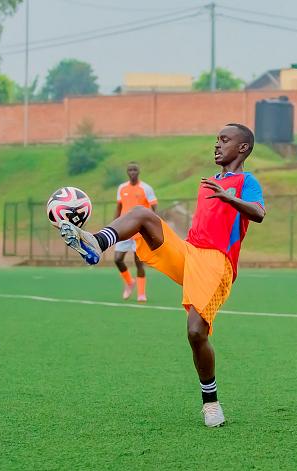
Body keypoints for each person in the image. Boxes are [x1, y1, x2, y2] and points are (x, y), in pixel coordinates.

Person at [57, 124, 265, 428]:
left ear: (243, 148)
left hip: (217, 263)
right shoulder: (209, 182)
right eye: (216, 139)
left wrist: (229, 198)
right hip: (189, 252)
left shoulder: (247, 181)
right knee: (142, 215)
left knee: (196, 332)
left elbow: (259, 213)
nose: (217, 145)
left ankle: (211, 402)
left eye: (224, 140)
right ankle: (96, 243)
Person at [115, 162, 157, 302]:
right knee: (117, 259)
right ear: (127, 172)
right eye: (130, 170)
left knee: (138, 262)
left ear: (138, 172)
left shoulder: (146, 188)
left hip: (139, 232)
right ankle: (129, 282)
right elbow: (119, 207)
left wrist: (150, 226)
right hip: (124, 229)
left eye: (135, 170)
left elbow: (154, 207)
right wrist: (114, 226)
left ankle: (141, 293)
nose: (132, 172)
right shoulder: (122, 188)